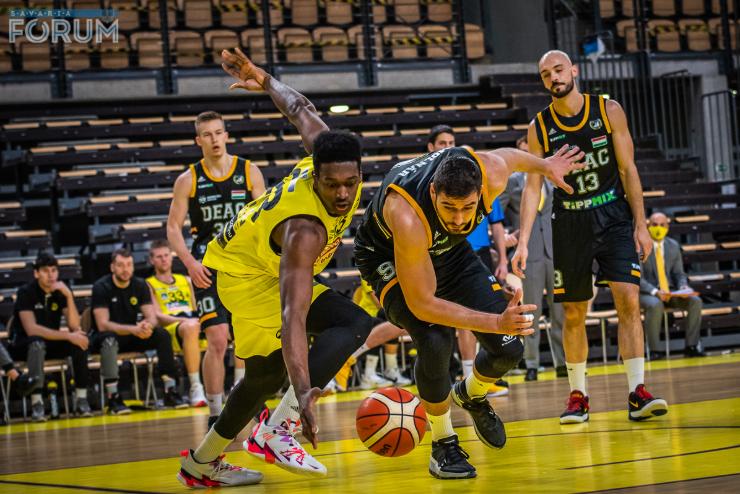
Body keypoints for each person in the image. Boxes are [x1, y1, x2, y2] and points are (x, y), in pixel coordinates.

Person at [177, 48, 373, 488]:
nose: (343, 194)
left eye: (350, 183)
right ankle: (277, 429)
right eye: (331, 185)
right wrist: (303, 396)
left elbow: (299, 108)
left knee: (262, 375)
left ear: (358, 171)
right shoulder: (305, 230)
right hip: (249, 281)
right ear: (315, 176)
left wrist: (262, 78)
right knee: (353, 322)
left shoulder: (329, 152)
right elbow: (293, 316)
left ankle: (200, 463)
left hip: (242, 262)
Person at [354, 139, 584, 477]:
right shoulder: (406, 214)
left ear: (481, 193)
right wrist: (494, 321)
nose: (460, 219)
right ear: (433, 191)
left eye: (468, 208)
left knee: (510, 348)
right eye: (449, 208)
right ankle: (443, 443)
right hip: (385, 255)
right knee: (435, 341)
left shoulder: (492, 173)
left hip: (448, 251)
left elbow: (510, 157)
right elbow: (423, 303)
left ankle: (471, 394)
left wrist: (546, 165)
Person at [512, 50, 668, 424]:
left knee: (628, 299)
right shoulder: (539, 126)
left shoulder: (608, 110)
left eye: (558, 70)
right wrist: (523, 240)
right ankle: (578, 396)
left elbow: (628, 170)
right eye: (546, 74)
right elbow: (533, 186)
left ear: (574, 70)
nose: (553, 78)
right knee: (573, 311)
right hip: (570, 221)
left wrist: (641, 224)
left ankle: (637, 392)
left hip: (613, 216)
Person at [167, 110, 266, 426]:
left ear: (226, 135)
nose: (214, 139)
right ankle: (214, 412)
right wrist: (189, 263)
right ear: (198, 140)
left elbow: (264, 218)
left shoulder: (249, 171)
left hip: (243, 266)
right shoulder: (188, 179)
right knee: (218, 339)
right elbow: (172, 227)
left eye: (218, 132)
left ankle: (245, 402)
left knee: (247, 339)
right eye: (207, 134)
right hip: (207, 268)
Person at [428, 125, 510, 396]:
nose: (448, 146)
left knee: (483, 315)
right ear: (431, 147)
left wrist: (503, 259)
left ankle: (477, 375)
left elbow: (496, 224)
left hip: (481, 252)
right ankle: (465, 374)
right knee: (461, 320)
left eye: (451, 142)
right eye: (442, 142)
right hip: (448, 254)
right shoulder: (435, 185)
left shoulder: (479, 183)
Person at [91, 248, 187, 415]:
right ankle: (113, 397)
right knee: (109, 339)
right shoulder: (101, 287)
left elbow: (152, 317)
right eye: (120, 265)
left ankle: (170, 391)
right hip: (107, 337)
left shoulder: (140, 284)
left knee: (162, 335)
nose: (125, 269)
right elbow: (102, 324)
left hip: (133, 335)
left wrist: (147, 327)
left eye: (129, 265)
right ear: (112, 267)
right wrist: (134, 329)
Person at [500, 166, 566, 381]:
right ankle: (532, 363)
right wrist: (505, 235)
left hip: (555, 252)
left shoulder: (551, 177)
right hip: (528, 254)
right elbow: (497, 212)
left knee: (560, 312)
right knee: (531, 312)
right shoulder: (514, 181)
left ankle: (563, 362)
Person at [9, 252, 91, 421]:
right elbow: (31, 329)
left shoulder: (60, 291)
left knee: (80, 342)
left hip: (50, 343)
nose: (51, 275)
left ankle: (81, 399)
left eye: (54, 270)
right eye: (45, 271)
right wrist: (67, 336)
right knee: (37, 343)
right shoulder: (26, 292)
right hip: (23, 345)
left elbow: (75, 326)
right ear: (36, 273)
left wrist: (69, 296)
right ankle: (37, 403)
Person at [146, 240, 208, 407]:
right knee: (191, 327)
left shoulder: (186, 280)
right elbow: (158, 316)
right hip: (171, 326)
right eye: (159, 257)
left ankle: (236, 384)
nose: (164, 259)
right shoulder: (149, 284)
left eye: (166, 255)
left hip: (192, 321)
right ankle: (195, 387)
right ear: (151, 260)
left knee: (225, 327)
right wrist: (186, 321)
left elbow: (196, 307)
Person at [640, 212, 705, 358]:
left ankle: (692, 346)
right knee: (655, 304)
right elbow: (637, 277)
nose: (658, 228)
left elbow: (679, 274)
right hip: (646, 293)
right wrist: (655, 291)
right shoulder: (640, 246)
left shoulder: (673, 246)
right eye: (655, 225)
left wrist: (683, 287)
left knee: (695, 301)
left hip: (670, 291)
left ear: (667, 227)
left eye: (662, 225)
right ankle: (655, 351)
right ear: (648, 226)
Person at [333, 279, 410, 391]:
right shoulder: (372, 273)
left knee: (395, 320)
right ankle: (367, 372)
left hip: (383, 314)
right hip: (367, 314)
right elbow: (379, 302)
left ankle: (390, 370)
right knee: (391, 320)